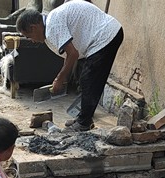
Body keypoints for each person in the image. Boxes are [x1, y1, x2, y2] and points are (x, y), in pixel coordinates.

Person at [16, 2, 123, 132]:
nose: (32, 40)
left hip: (106, 35)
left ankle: (83, 123)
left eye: (29, 37)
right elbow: (69, 54)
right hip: (99, 37)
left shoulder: (52, 26)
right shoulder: (51, 23)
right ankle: (84, 118)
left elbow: (73, 54)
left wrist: (60, 78)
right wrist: (64, 76)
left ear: (33, 27)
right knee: (84, 79)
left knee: (89, 79)